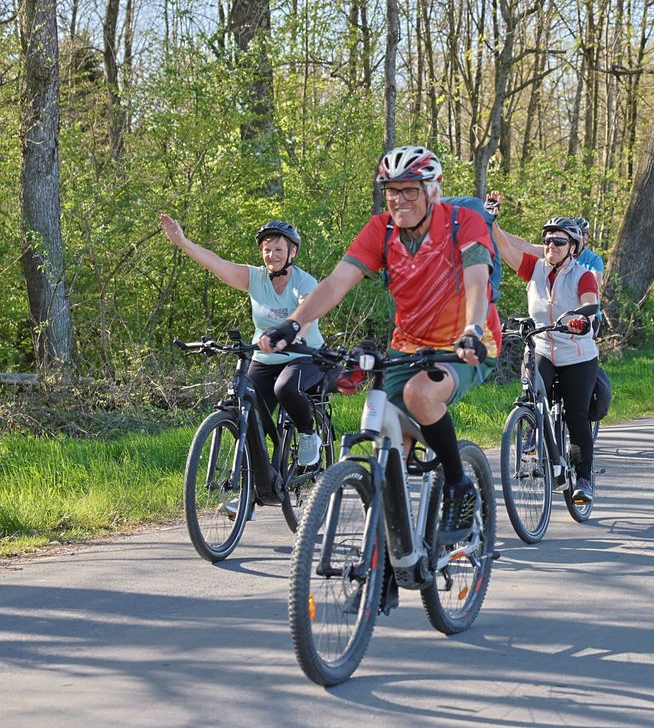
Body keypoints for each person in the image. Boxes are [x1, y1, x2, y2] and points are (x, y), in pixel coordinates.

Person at [257, 146, 500, 542]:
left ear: (432, 190)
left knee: (421, 394)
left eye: (409, 191)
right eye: (391, 191)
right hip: (407, 346)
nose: (399, 200)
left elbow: (475, 281)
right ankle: (389, 554)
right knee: (389, 445)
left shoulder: (464, 222)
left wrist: (472, 329)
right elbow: (336, 283)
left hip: (466, 342)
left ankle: (458, 485)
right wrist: (294, 323)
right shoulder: (382, 230)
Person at [160, 215, 325, 469]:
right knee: (248, 418)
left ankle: (307, 434)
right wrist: (183, 242)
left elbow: (308, 313)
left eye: (278, 249)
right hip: (265, 357)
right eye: (267, 250)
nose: (272, 255)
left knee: (286, 388)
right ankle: (251, 496)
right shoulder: (255, 278)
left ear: (292, 252)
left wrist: (294, 334)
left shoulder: (304, 282)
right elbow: (216, 263)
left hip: (304, 355)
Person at [491, 215, 601, 504]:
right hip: (543, 347)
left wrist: (581, 317)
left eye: (559, 241)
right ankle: (532, 436)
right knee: (531, 394)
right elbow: (505, 249)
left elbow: (591, 302)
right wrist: (491, 220)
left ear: (572, 247)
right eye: (548, 240)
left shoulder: (582, 275)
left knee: (577, 416)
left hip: (577, 354)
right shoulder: (534, 268)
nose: (551, 245)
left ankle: (584, 479)